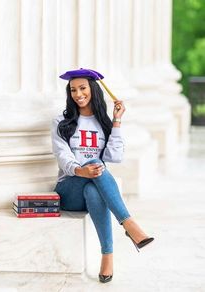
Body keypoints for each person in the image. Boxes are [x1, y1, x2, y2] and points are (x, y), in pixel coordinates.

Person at [51, 68, 154, 283]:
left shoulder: (104, 122)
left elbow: (115, 156)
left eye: (82, 88)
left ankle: (107, 256)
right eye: (73, 90)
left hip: (92, 188)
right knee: (95, 165)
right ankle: (129, 224)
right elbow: (63, 157)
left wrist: (116, 121)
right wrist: (81, 170)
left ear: (93, 89)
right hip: (69, 189)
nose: (78, 94)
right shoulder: (61, 121)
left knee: (94, 189)